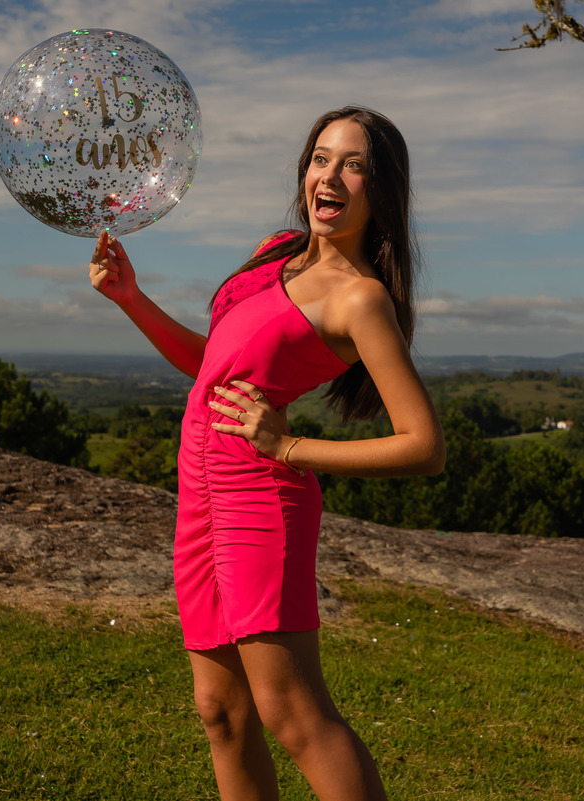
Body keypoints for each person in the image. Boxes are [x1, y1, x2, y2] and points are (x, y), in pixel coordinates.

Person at [89, 106, 445, 801]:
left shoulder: (360, 299)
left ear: (382, 190)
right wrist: (131, 299)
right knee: (220, 710)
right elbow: (212, 365)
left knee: (292, 712)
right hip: (200, 494)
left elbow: (425, 446)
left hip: (260, 497)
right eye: (319, 157)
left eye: (353, 164)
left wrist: (291, 445)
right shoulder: (274, 249)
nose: (329, 175)